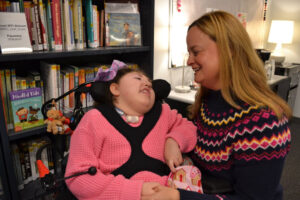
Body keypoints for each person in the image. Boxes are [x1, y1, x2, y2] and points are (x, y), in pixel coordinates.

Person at [142, 10, 291, 200]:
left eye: (195, 52)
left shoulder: (263, 122)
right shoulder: (208, 99)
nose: (189, 61)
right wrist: (174, 140)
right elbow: (190, 133)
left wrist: (177, 197)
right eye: (189, 52)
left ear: (229, 50)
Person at [65, 60, 198, 200]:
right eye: (138, 78)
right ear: (115, 89)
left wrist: (173, 141)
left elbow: (189, 128)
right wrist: (135, 191)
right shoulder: (94, 120)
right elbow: (78, 177)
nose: (147, 83)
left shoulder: (163, 113)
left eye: (150, 83)